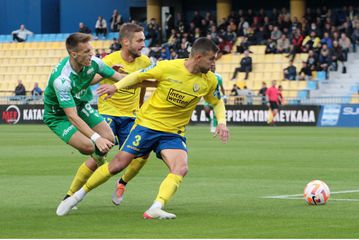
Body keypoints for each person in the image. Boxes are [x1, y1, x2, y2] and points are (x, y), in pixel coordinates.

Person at [56, 37, 230, 219]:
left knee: (180, 168)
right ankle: (76, 196)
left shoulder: (210, 80)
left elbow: (217, 102)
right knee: (117, 165)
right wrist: (115, 87)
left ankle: (156, 206)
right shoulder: (167, 67)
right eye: (211, 59)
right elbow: (138, 76)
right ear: (198, 57)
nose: (213, 64)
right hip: (147, 125)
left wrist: (222, 122)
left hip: (173, 133)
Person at [43, 33, 126, 215]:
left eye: (92, 49)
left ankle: (81, 186)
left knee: (110, 138)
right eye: (87, 51)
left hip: (79, 105)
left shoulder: (94, 63)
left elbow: (121, 78)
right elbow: (71, 116)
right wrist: (96, 138)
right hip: (58, 116)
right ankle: (73, 193)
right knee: (90, 146)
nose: (92, 54)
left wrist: (150, 79)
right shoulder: (61, 80)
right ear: (74, 54)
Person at [97, 23, 153, 206]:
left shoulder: (145, 62)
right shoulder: (107, 60)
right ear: (125, 42)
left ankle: (122, 183)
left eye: (143, 40)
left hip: (131, 115)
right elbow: (90, 80)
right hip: (108, 111)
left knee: (142, 154)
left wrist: (141, 105)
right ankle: (72, 195)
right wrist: (109, 72)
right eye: (140, 40)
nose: (143, 44)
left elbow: (143, 85)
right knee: (100, 150)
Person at [204, 65, 226, 133]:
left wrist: (224, 95)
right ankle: (210, 121)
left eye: (214, 67)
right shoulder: (206, 75)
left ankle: (214, 126)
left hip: (215, 97)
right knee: (206, 111)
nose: (212, 68)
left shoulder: (218, 77)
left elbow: (221, 87)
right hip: (208, 97)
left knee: (215, 114)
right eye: (211, 67)